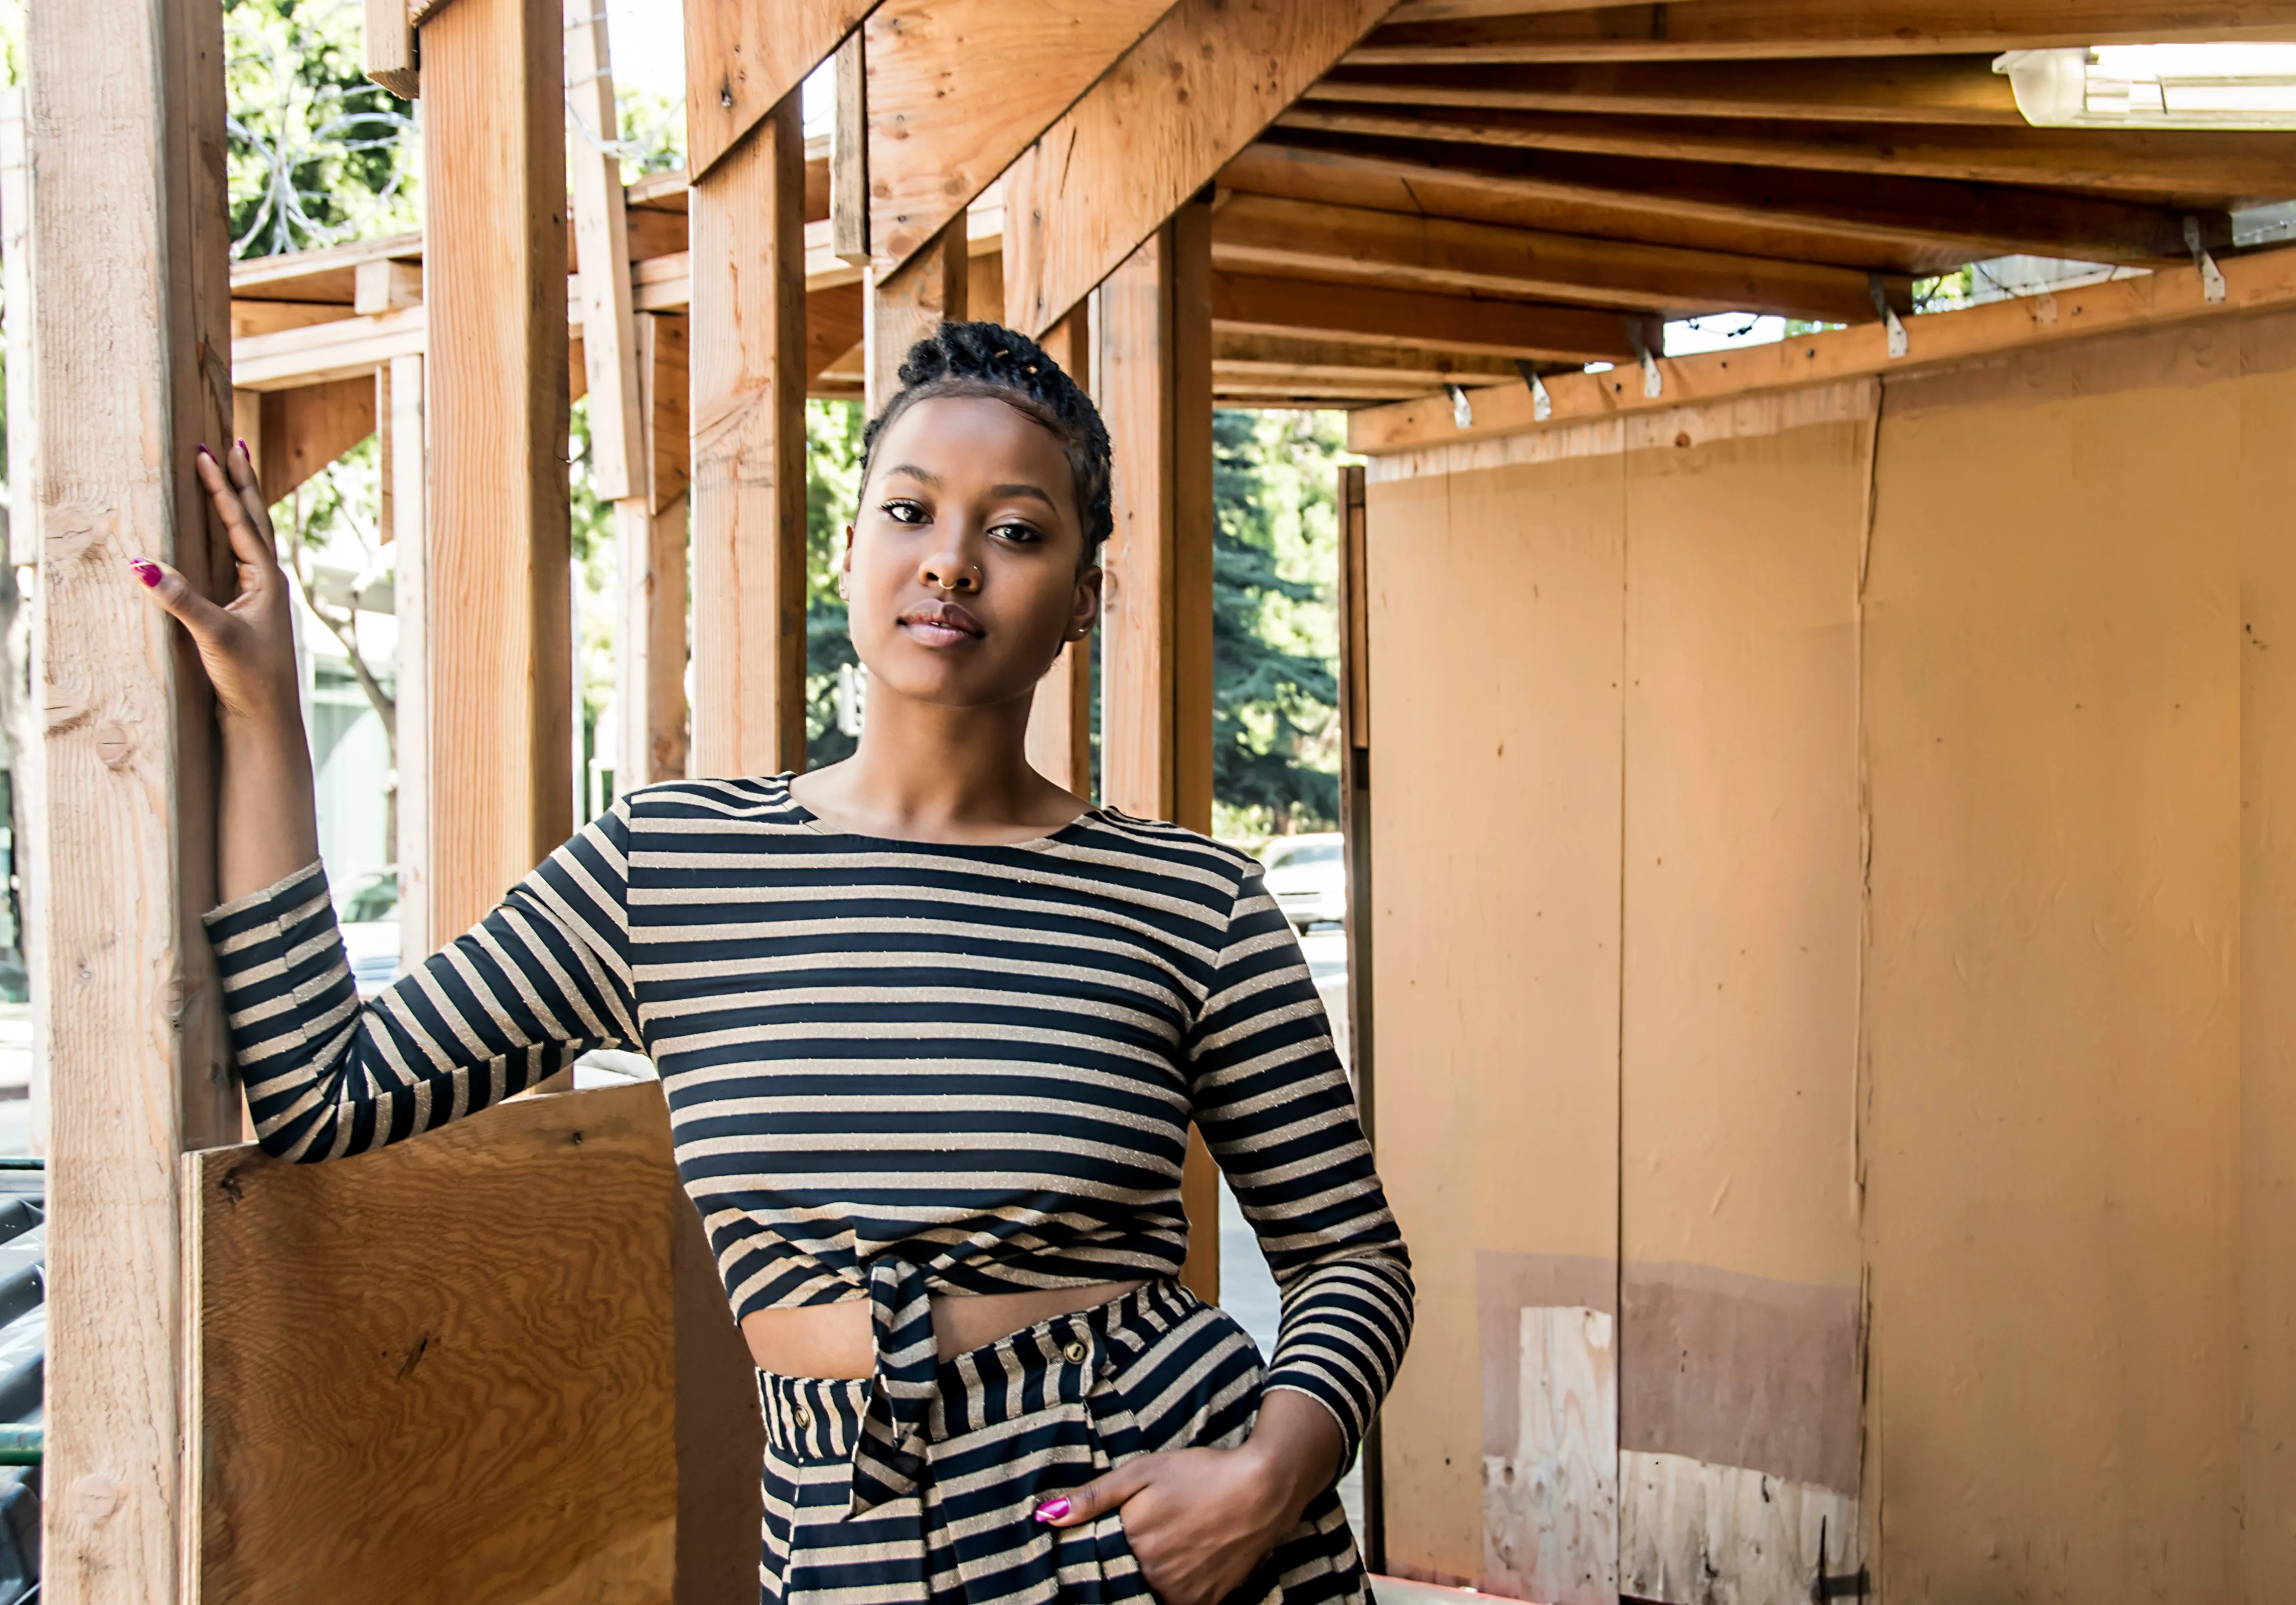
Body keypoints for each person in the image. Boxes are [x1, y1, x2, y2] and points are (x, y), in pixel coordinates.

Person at [136, 323, 1414, 1605]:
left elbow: (1352, 1254)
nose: (952, 563)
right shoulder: (668, 867)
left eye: (1017, 532)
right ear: (854, 544)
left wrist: (1267, 1479)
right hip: (840, 1527)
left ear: (1084, 593)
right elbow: (323, 1090)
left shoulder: (1191, 901)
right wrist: (264, 714)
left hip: (1150, 1512)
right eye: (909, 510)